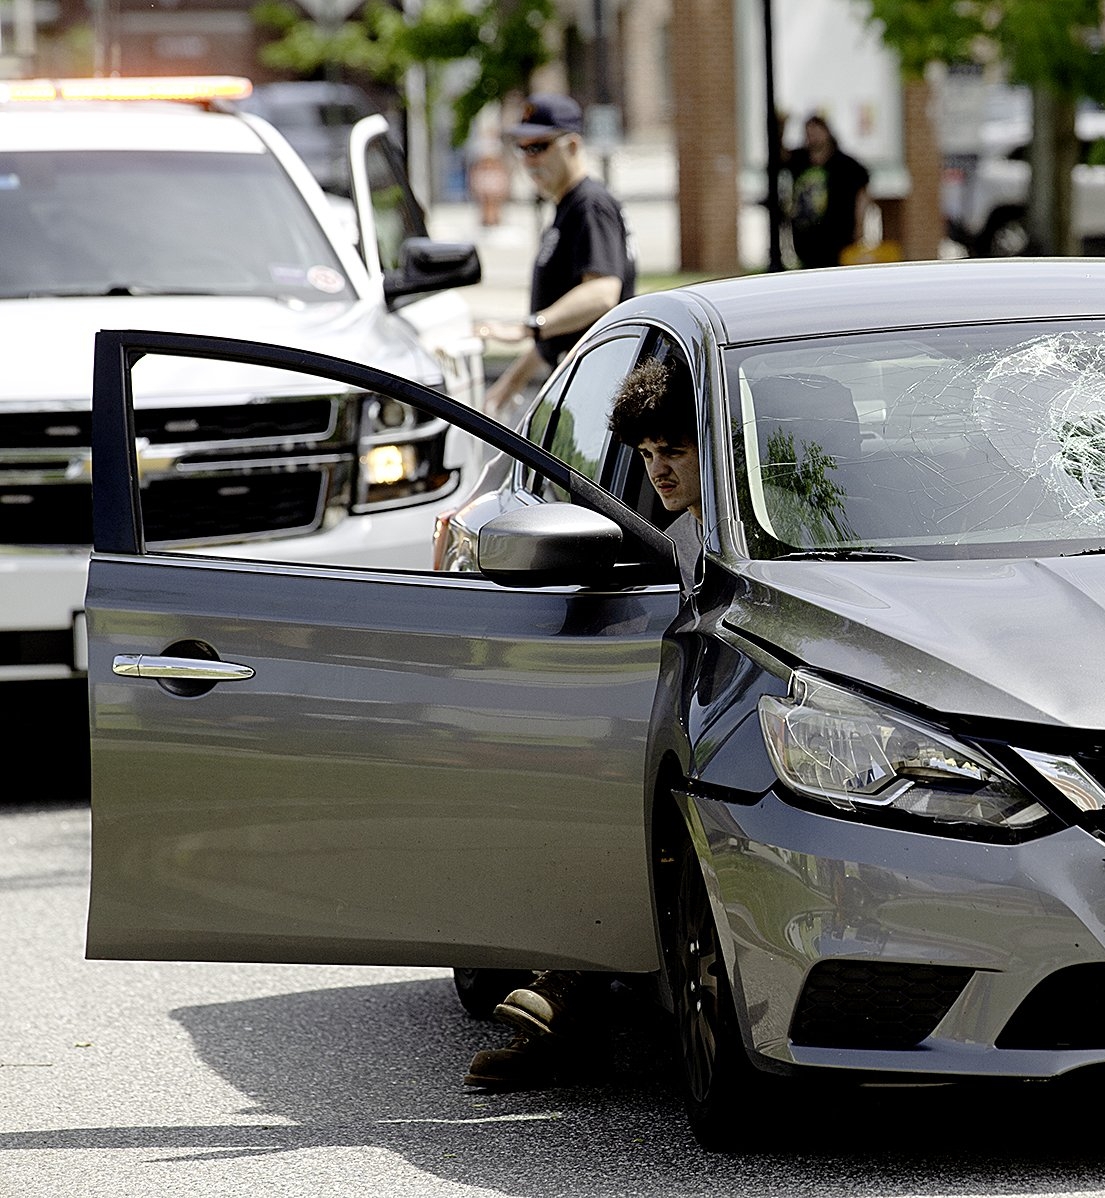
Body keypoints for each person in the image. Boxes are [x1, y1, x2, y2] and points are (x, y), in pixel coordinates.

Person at [465, 357, 699, 1091]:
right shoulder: (680, 537)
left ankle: (566, 999)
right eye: (646, 456)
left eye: (675, 452)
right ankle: (565, 1002)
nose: (658, 472)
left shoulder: (718, 537)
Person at [482, 92, 638, 417]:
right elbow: (557, 335)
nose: (529, 160)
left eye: (538, 146)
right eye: (522, 149)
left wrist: (528, 326)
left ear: (572, 146)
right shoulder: (567, 209)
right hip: (578, 385)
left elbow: (602, 293)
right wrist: (510, 382)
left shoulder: (590, 206)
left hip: (600, 389)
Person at [784, 113, 871, 269]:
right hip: (805, 240)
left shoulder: (844, 165)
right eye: (809, 133)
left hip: (837, 237)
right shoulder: (799, 160)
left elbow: (862, 192)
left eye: (817, 131)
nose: (813, 137)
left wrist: (860, 225)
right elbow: (779, 157)